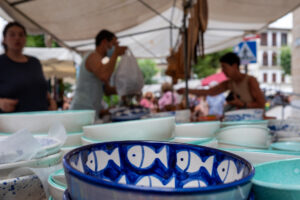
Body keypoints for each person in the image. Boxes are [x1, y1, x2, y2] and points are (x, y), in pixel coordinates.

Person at [0, 22, 57, 113]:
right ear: (4, 39)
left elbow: (41, 87)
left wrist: (51, 101)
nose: (17, 38)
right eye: (12, 35)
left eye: (21, 35)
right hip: (13, 122)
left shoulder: (34, 62)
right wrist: (1, 103)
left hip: (42, 116)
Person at [178, 52, 265, 111]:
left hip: (254, 121)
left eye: (224, 67)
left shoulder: (250, 80)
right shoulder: (230, 83)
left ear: (234, 66)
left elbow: (261, 104)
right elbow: (210, 91)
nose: (223, 71)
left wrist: (242, 104)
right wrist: (187, 90)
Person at [70, 30, 127, 117]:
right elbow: (104, 76)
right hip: (81, 111)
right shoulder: (92, 56)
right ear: (104, 42)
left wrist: (127, 90)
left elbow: (107, 90)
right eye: (114, 44)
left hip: (90, 112)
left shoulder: (100, 64)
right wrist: (116, 53)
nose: (116, 47)